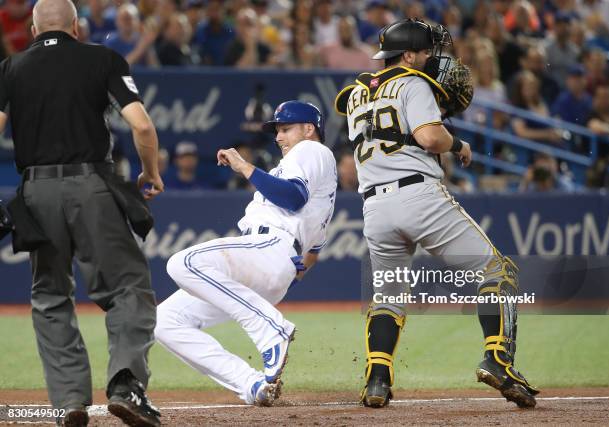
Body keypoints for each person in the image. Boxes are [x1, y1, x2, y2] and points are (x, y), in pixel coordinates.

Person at [335, 18, 539, 409]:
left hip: (375, 207)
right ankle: (498, 360)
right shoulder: (412, 82)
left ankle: (377, 380)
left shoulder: (357, 94)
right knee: (497, 271)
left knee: (388, 297)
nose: (433, 58)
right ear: (408, 55)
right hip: (419, 197)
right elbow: (429, 137)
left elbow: (392, 131)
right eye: (428, 52)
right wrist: (455, 141)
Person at [0, 0, 164, 426]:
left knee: (50, 296)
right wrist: (150, 173)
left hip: (35, 191)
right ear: (76, 25)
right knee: (128, 288)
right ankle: (126, 385)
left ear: (34, 29)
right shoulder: (102, 58)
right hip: (91, 184)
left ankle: (69, 403)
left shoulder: (10, 68)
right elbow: (142, 125)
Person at [155, 100, 337, 406]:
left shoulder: (312, 150)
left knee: (182, 263)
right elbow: (312, 255)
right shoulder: (317, 174)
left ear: (309, 129)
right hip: (270, 266)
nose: (279, 137)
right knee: (165, 321)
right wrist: (278, 281)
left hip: (271, 248)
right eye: (277, 131)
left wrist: (244, 167)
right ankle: (251, 384)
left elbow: (293, 197)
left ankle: (271, 330)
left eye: (286, 129)